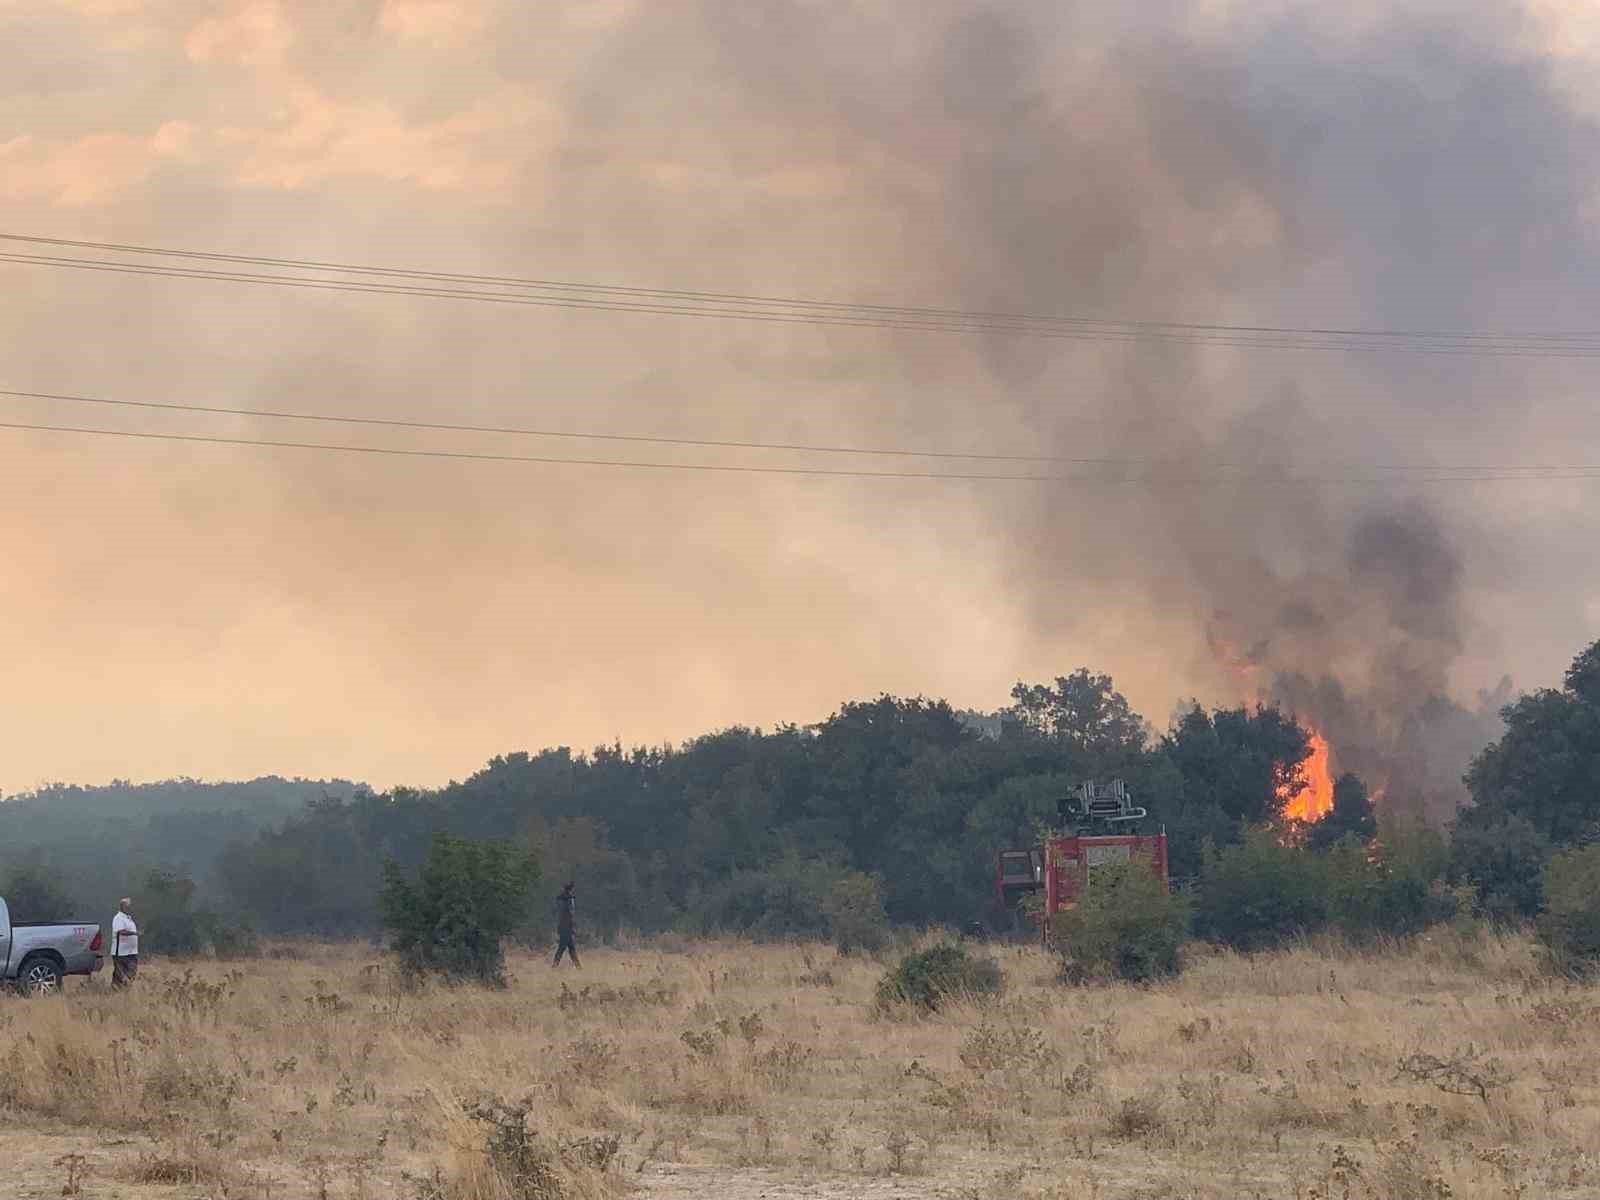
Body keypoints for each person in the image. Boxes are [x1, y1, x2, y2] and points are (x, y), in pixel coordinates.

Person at [110, 897, 139, 989]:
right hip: (121, 952)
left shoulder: (128, 918)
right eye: (128, 906)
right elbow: (120, 931)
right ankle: (116, 991)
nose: (130, 908)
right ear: (123, 907)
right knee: (120, 973)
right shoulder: (118, 918)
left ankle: (121, 990)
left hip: (131, 951)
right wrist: (134, 933)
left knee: (131, 971)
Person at [553, 881, 579, 967]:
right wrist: (573, 927)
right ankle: (554, 966)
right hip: (567, 927)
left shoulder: (560, 900)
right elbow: (571, 914)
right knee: (563, 948)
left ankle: (578, 967)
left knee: (570, 948)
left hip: (562, 926)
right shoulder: (569, 900)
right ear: (571, 889)